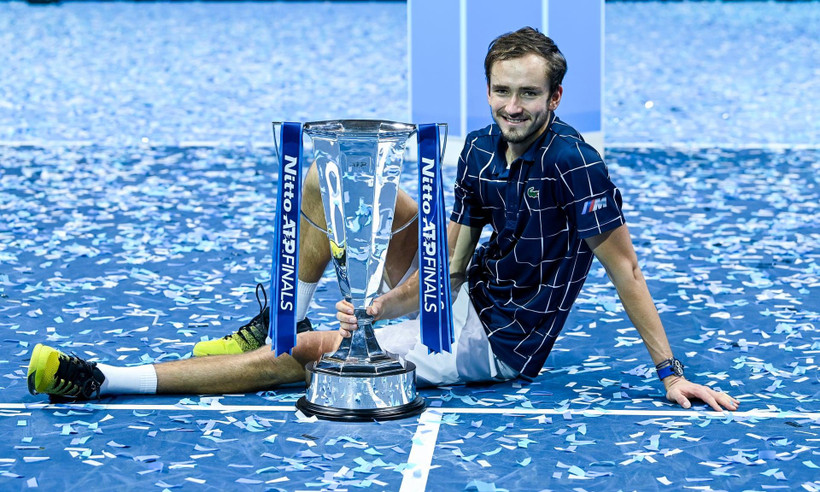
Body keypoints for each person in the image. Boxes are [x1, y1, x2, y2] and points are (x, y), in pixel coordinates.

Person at [27, 27, 738, 412]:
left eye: (528, 95)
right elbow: (452, 266)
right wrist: (381, 304)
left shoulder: (576, 166)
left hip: (494, 345)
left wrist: (670, 372)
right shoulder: (484, 149)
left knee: (307, 357)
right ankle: (277, 318)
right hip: (460, 300)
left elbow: (627, 269)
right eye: (501, 92)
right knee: (322, 183)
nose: (512, 107)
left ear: (555, 97)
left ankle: (103, 380)